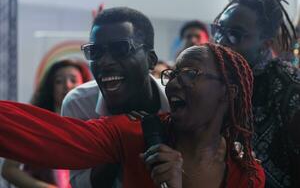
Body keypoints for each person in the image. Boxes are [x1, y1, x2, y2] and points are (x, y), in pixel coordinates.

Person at [0, 43, 265, 188]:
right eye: (172, 73)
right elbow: (52, 137)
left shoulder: (248, 175)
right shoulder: (136, 134)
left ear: (228, 92)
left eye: (190, 74)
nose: (172, 83)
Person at [61, 7, 169, 188]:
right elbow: (81, 184)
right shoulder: (79, 104)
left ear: (150, 60)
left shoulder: (177, 101)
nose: (104, 61)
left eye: (120, 49)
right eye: (95, 52)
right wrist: (120, 141)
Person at [212, 0, 300, 187]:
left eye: (235, 35)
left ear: (265, 44)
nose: (220, 41)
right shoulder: (212, 79)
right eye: (218, 29)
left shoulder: (289, 88)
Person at [1, 59, 92, 188]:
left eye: (73, 80)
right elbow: (9, 170)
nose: (67, 85)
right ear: (51, 87)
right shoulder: (36, 122)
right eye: (59, 81)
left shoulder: (91, 124)